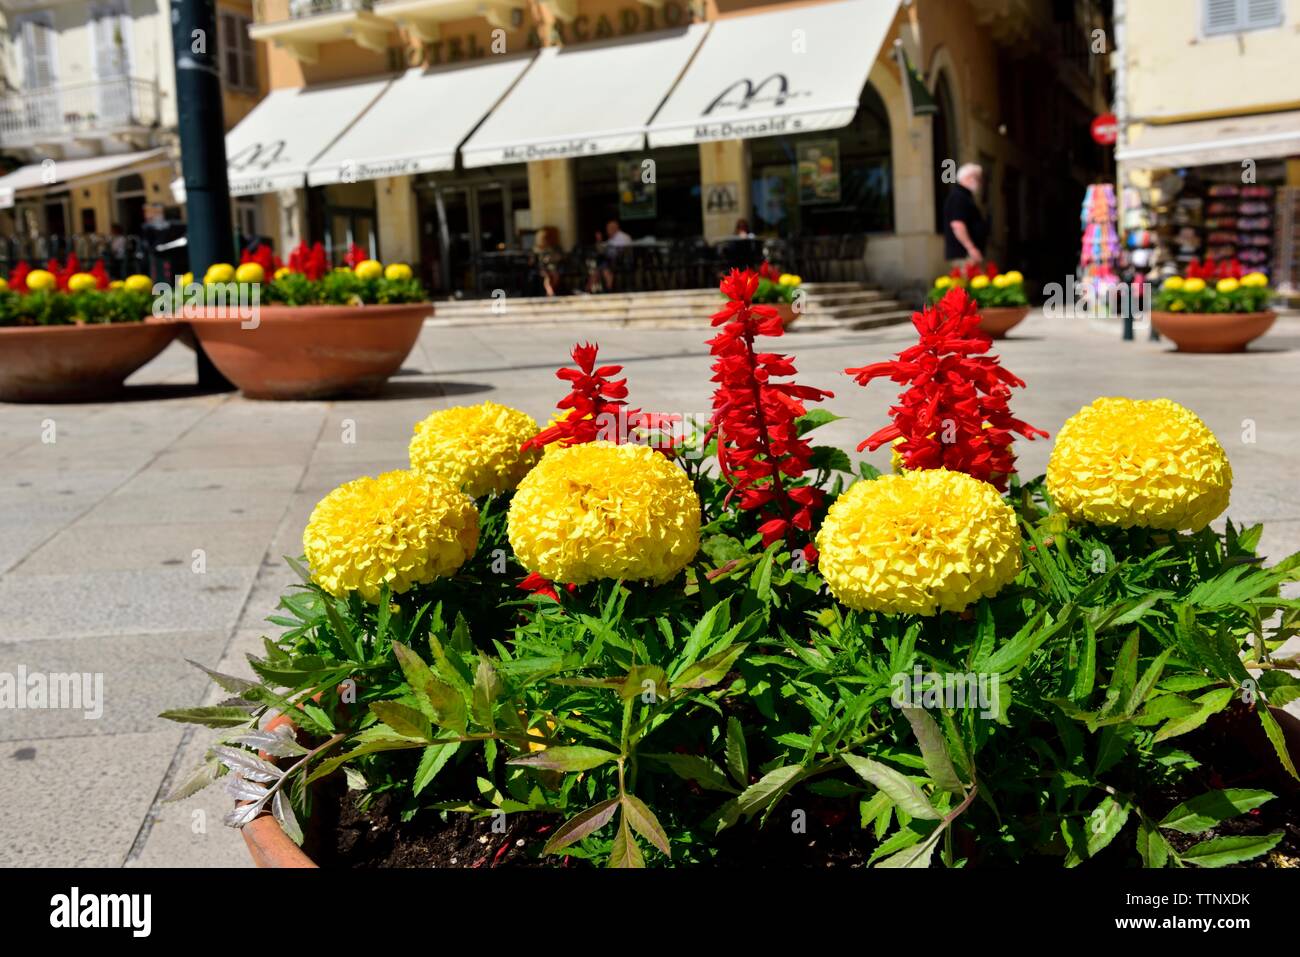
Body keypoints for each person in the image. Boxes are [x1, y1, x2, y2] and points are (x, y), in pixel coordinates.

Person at [943, 163, 988, 268]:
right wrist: (971, 248)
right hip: (964, 255)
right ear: (969, 178)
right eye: (978, 178)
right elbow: (957, 224)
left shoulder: (964, 196)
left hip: (967, 253)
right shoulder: (958, 197)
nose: (980, 183)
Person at [532, 226, 563, 297]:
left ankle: (550, 292)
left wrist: (551, 258)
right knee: (547, 277)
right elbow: (532, 261)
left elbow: (559, 257)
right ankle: (550, 292)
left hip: (552, 267)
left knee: (555, 276)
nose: (545, 239)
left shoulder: (553, 247)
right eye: (543, 238)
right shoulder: (536, 249)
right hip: (541, 268)